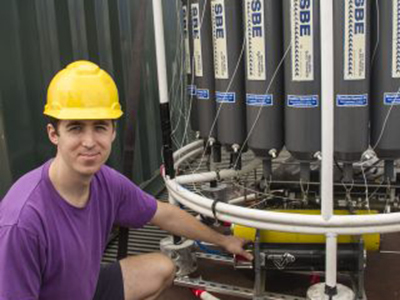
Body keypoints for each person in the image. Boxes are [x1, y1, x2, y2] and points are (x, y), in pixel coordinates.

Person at [0, 61, 252, 300]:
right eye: (75, 128)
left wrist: (224, 241)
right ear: (54, 134)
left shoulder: (105, 182)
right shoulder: (23, 222)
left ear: (113, 132)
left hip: (84, 287)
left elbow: (165, 214)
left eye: (99, 127)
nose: (89, 142)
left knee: (162, 268)